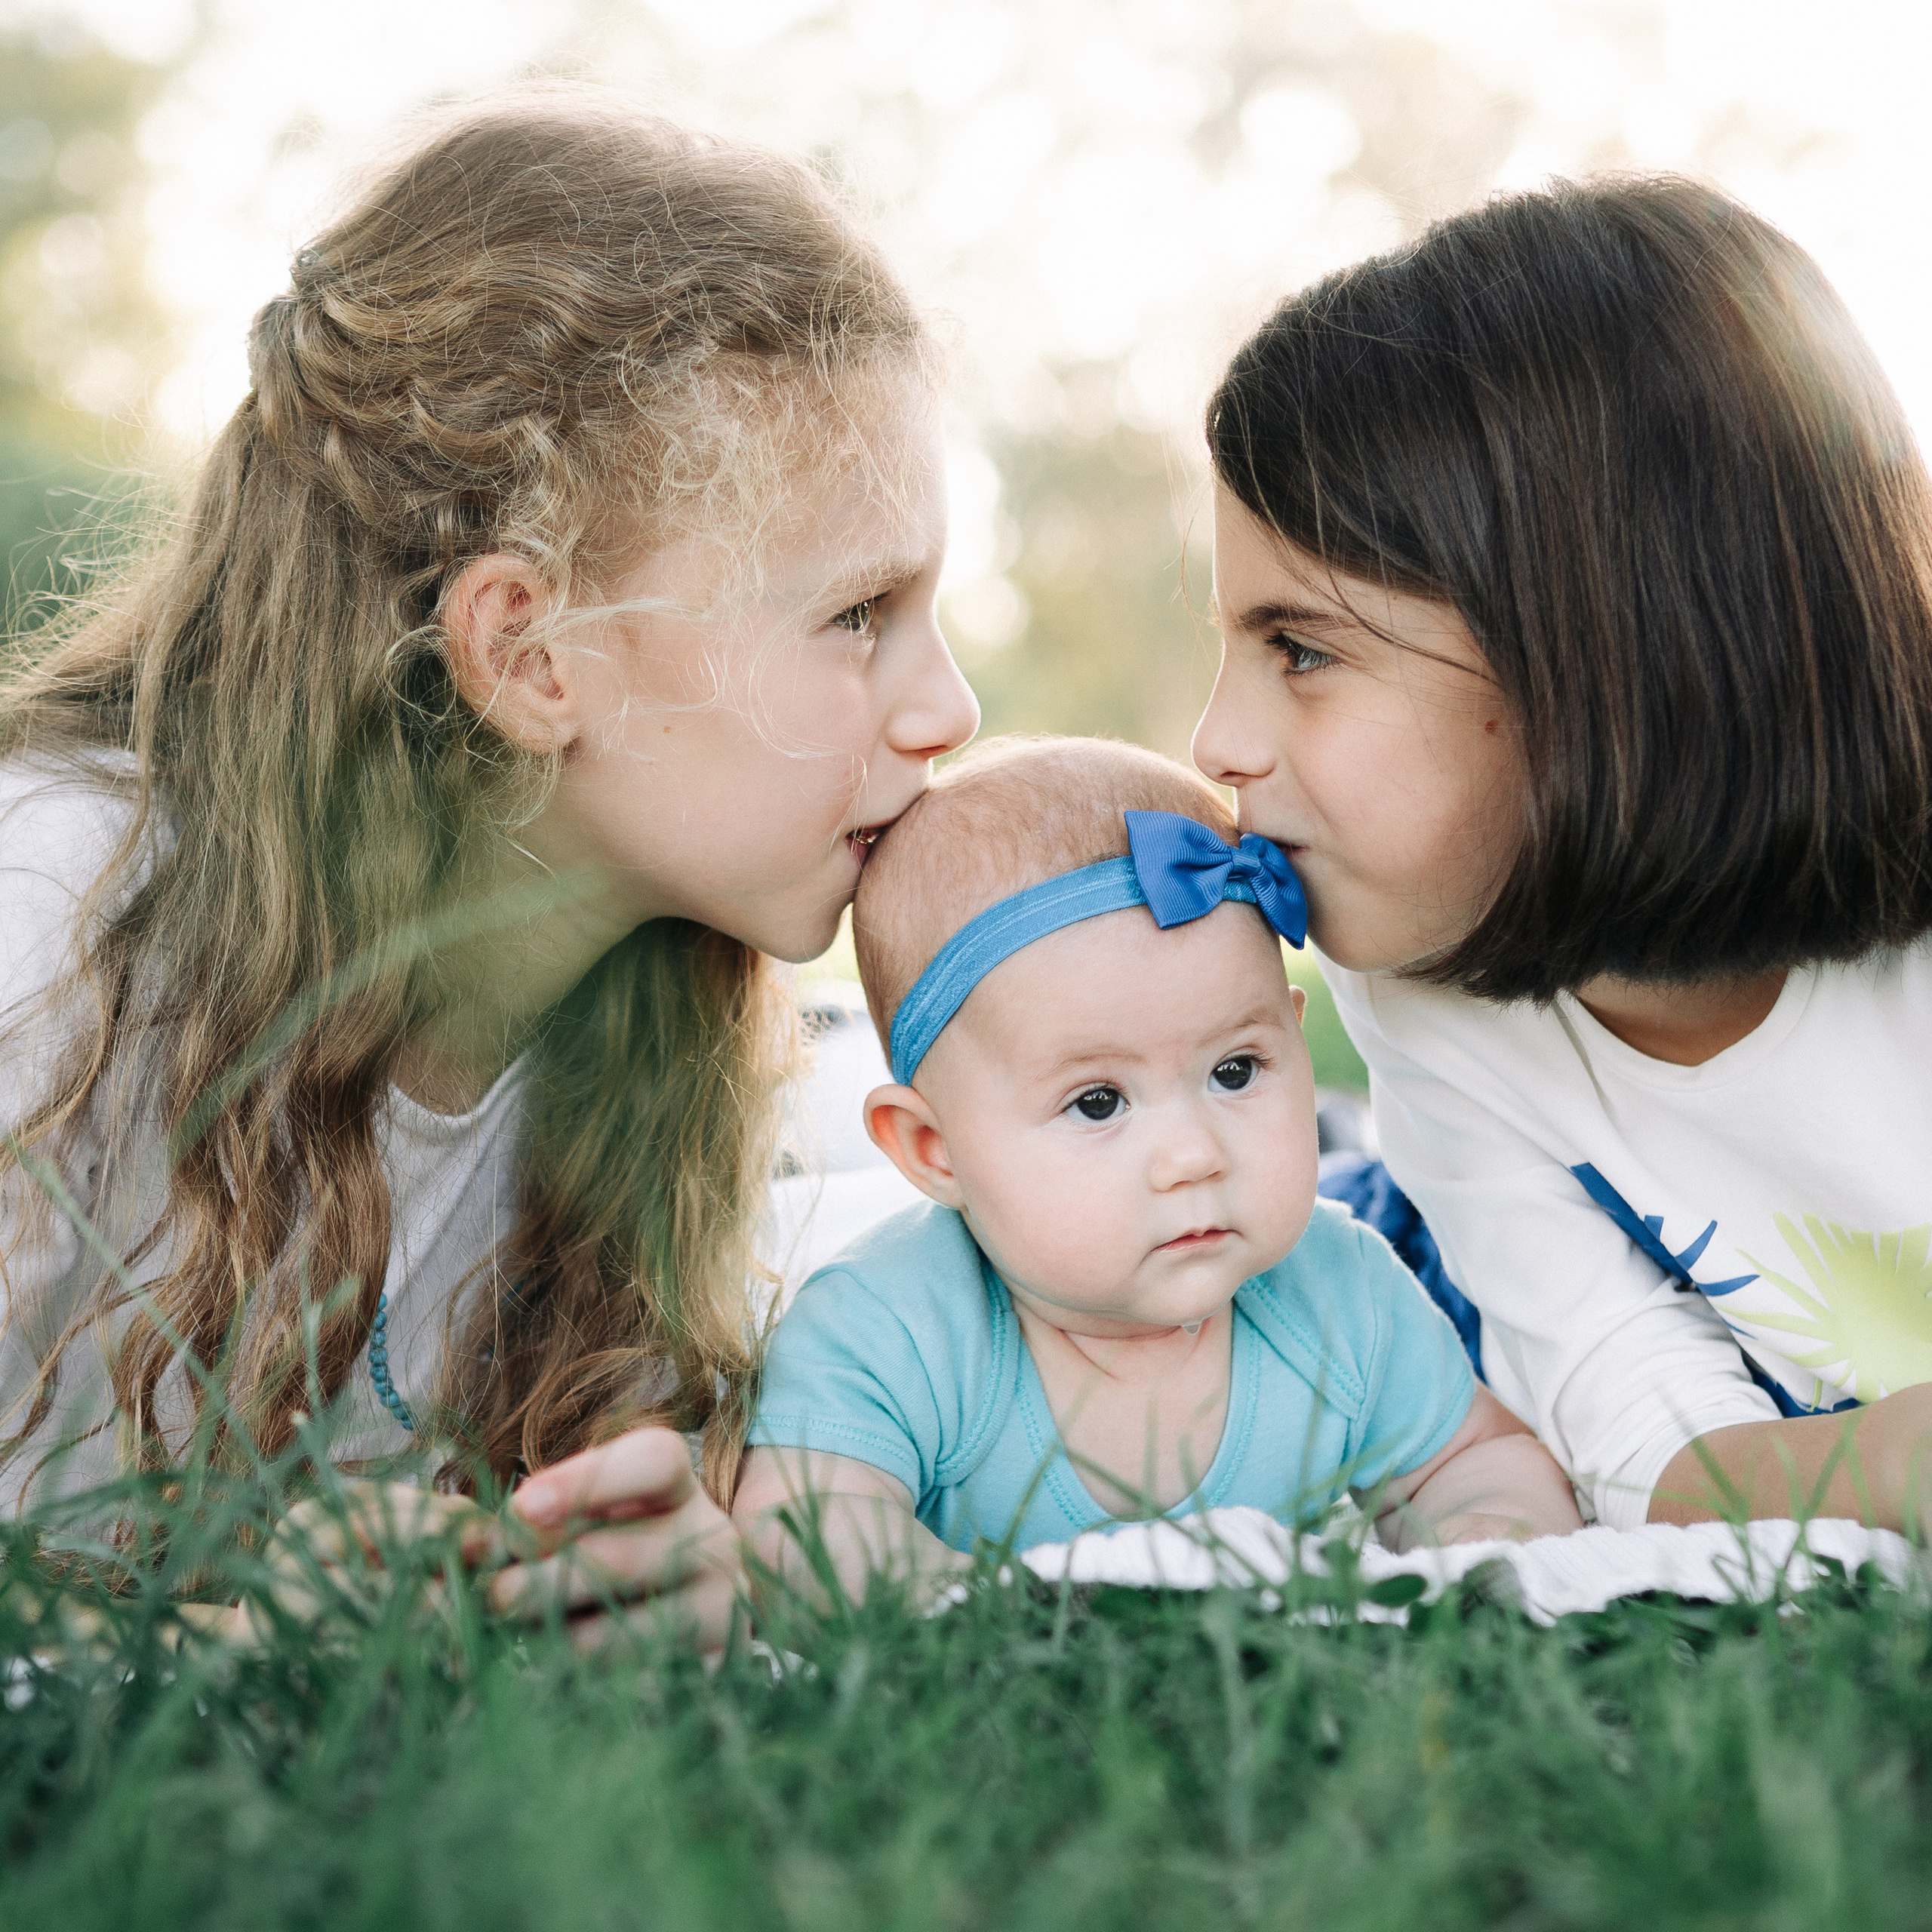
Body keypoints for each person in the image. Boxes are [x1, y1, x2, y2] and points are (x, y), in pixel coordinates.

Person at [0, 91, 979, 1651]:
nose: (948, 709)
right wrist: (187, 1647)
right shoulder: (54, 914)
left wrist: (680, 1577)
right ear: (528, 649)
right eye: (859, 613)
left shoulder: (645, 1032)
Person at [1192, 175, 1932, 1534]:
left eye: (1302, 650)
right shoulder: (1421, 979)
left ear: (1621, 648)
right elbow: (1639, 1450)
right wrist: (1887, 1468)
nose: (1216, 743)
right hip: (1437, 1259)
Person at [733, 738, 1581, 1598]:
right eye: (1097, 1102)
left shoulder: (1338, 1289)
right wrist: (981, 1617)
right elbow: (799, 1528)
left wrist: (1481, 1539)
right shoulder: (890, 1322)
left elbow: (1473, 1458)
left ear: (1293, 1035)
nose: (1192, 1155)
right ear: (933, 1149)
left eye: (1236, 1071)